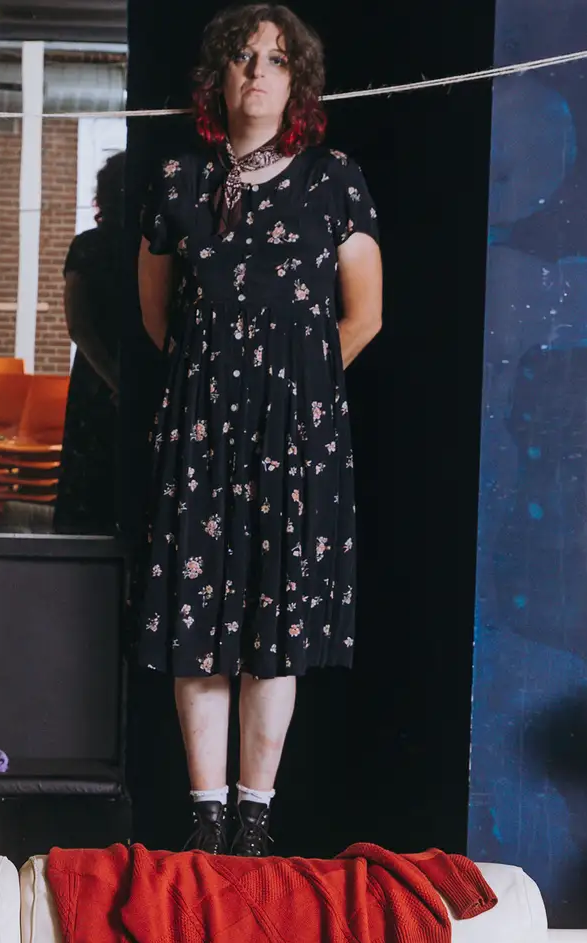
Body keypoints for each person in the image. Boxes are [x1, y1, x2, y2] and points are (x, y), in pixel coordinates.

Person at [133, 3, 384, 855]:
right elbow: (158, 317)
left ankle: (253, 818)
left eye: (277, 60)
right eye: (243, 57)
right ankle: (205, 816)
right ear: (218, 76)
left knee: (273, 631)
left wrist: (295, 390)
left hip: (294, 438)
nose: (258, 72)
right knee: (196, 622)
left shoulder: (334, 179)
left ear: (298, 81)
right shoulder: (178, 180)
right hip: (201, 432)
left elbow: (365, 315)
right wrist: (215, 387)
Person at [55, 150, 127, 535]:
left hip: (100, 374)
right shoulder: (96, 247)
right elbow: (79, 327)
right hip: (103, 375)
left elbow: (78, 325)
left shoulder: (89, 246)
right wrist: (119, 381)